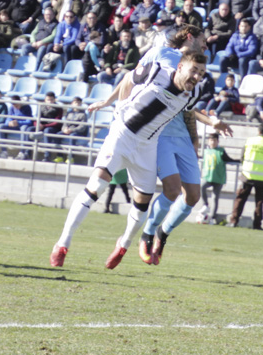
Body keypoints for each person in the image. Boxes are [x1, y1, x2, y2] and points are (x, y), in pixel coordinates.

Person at [49, 51, 231, 267]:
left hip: (147, 147)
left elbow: (189, 110)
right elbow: (128, 78)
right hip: (122, 136)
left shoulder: (194, 92)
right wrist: (113, 104)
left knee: (142, 203)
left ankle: (123, 244)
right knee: (96, 186)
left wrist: (212, 122)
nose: (197, 77)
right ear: (180, 67)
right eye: (194, 71)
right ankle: (62, 244)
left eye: (201, 73)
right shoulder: (156, 71)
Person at [99, 25, 209, 268]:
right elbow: (132, 78)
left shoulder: (197, 70)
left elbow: (187, 107)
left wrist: (194, 139)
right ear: (190, 36)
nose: (206, 45)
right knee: (171, 189)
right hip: (156, 134)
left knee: (192, 195)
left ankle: (162, 235)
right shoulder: (160, 53)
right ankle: (146, 234)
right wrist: (119, 110)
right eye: (203, 40)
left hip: (182, 137)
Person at [226, 123, 263, 230]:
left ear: (258, 131)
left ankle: (233, 221)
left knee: (240, 199)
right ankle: (257, 225)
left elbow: (242, 157)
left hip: (247, 175)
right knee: (259, 202)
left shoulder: (249, 141)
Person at [198, 132, 236, 224]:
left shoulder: (221, 151)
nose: (213, 142)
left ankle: (212, 217)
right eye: (211, 140)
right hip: (208, 176)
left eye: (215, 140)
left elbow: (229, 159)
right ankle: (205, 205)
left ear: (218, 141)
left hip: (218, 177)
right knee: (201, 187)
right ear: (208, 141)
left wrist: (239, 160)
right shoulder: (206, 151)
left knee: (215, 198)